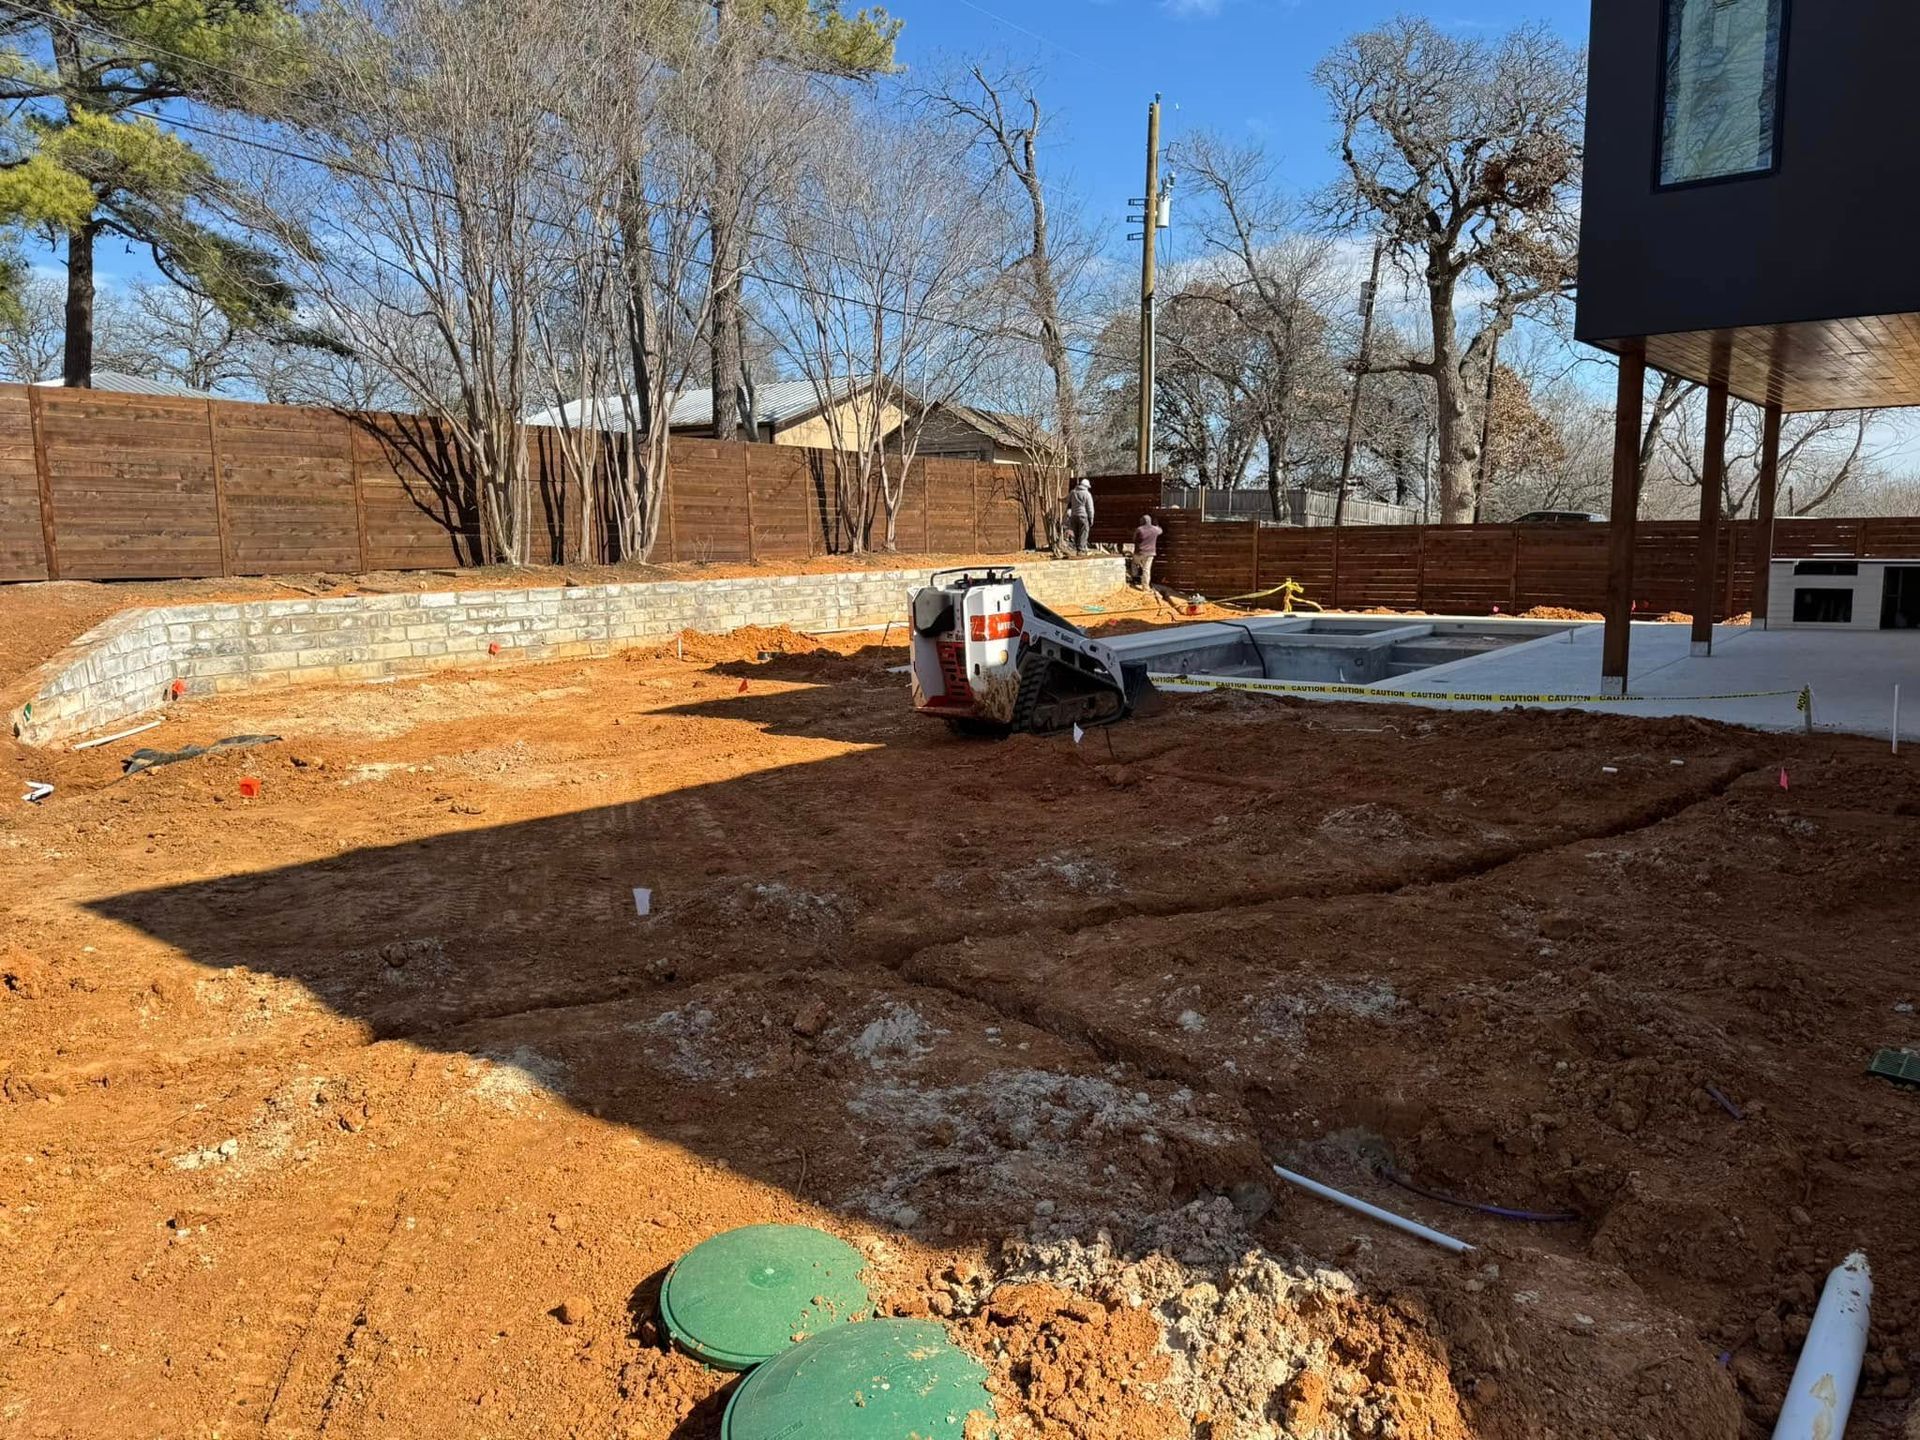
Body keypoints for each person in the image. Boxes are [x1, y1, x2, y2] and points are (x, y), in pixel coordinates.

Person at [1129, 513, 1163, 589]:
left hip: (1139, 552)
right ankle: (1145, 587)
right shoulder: (1155, 529)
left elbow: (1134, 539)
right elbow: (1161, 531)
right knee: (1146, 569)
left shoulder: (1139, 529)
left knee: (1134, 564)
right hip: (1150, 553)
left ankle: (1135, 579)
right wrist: (1157, 524)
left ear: (1142, 521)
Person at [1066, 478, 1094, 553]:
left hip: (1074, 516)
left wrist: (1059, 499)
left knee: (1076, 533)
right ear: (1086, 487)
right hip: (1083, 516)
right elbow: (1090, 508)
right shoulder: (1087, 494)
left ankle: (1077, 549)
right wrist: (1091, 518)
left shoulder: (1073, 492)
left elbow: (1067, 500)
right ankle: (1081, 549)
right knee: (1084, 532)